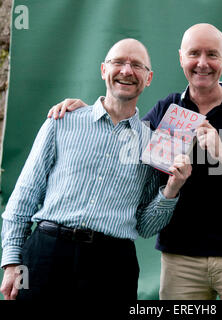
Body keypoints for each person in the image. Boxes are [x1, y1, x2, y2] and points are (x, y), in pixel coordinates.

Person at [46, 23, 222, 300]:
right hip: (179, 261)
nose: (202, 63)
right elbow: (122, 138)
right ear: (181, 58)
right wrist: (88, 110)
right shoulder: (166, 109)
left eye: (212, 54)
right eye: (193, 54)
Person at [0, 38, 192, 301]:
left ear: (148, 78)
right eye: (118, 62)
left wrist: (171, 190)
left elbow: (146, 227)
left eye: (137, 65)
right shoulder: (62, 121)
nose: (127, 70)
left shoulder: (153, 145)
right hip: (46, 255)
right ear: (104, 70)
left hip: (112, 267)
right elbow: (25, 195)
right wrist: (12, 263)